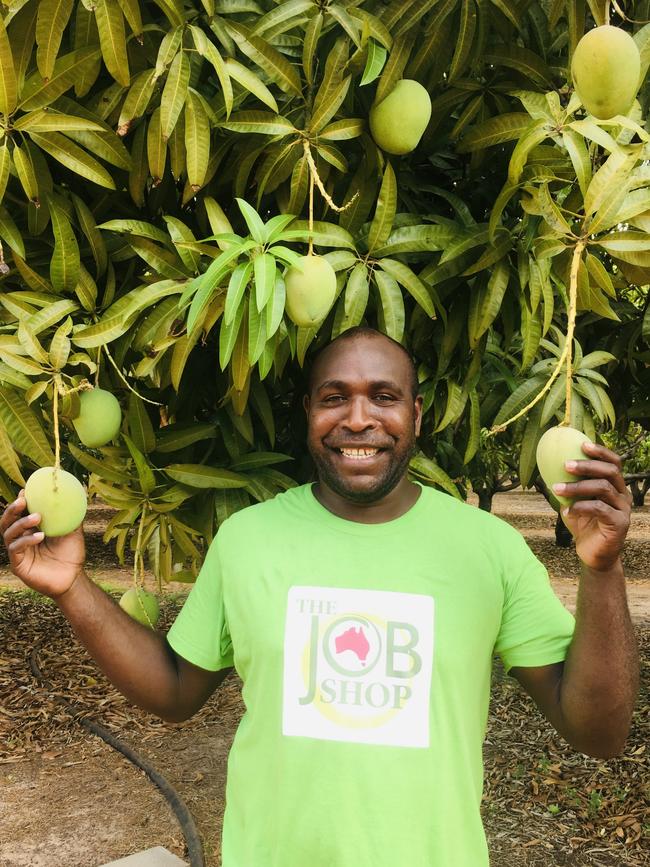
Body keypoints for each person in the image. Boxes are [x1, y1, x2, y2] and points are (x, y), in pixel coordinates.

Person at [1, 327, 638, 867]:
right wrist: (71, 588)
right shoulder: (248, 539)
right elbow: (173, 689)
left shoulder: (489, 549)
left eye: (383, 397)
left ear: (415, 414)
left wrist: (603, 569)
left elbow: (598, 732)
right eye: (335, 398)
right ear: (309, 411)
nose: (358, 418)